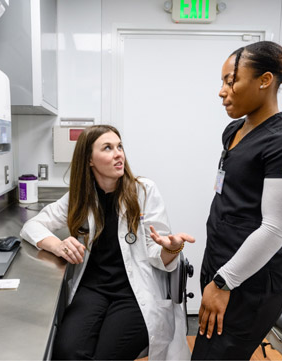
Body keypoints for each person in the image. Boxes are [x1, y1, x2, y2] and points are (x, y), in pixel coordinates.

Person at [20, 125, 195, 360]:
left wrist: (172, 248)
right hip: (92, 291)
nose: (118, 154)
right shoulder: (79, 197)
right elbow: (32, 226)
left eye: (120, 147)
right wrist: (58, 245)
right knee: (67, 353)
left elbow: (158, 254)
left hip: (134, 293)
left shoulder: (144, 191)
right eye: (108, 148)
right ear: (89, 160)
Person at [191, 41, 282, 360]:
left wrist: (223, 282)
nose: (222, 91)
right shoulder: (234, 130)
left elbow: (276, 228)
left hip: (253, 279)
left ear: (264, 81)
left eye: (230, 80)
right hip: (222, 262)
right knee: (205, 353)